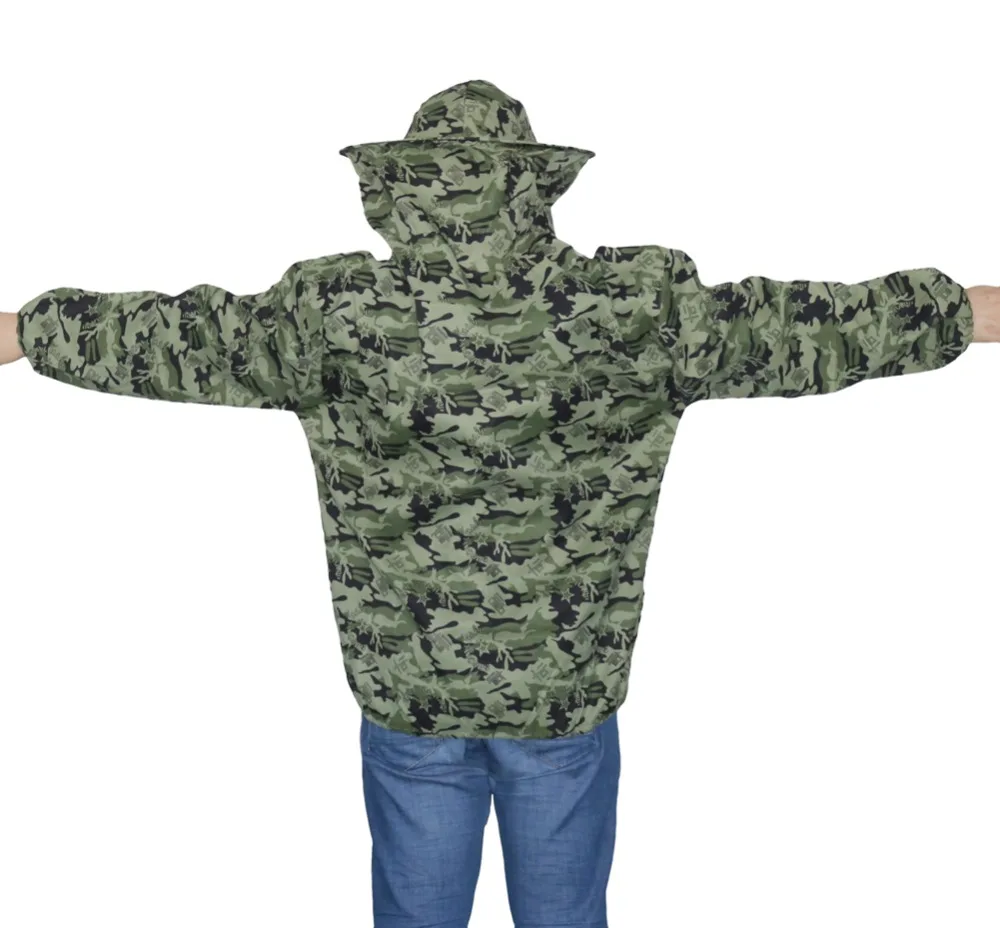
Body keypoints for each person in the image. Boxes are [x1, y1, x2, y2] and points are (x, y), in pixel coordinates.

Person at [1, 78, 997, 928]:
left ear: (395, 190)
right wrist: (964, 310)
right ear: (535, 189)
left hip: (412, 696)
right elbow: (818, 326)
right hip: (560, 700)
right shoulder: (635, 311)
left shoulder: (333, 318)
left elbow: (171, 336)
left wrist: (23, 330)